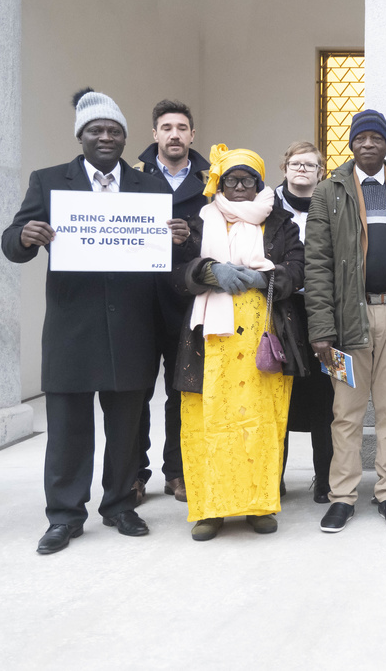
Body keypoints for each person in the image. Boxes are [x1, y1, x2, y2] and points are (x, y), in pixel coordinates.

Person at [2, 89, 192, 555]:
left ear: (126, 138)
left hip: (132, 325)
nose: (105, 137)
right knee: (68, 427)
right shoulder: (49, 182)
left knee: (128, 423)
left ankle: (120, 504)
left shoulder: (149, 187)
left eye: (114, 131)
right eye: (96, 130)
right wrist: (26, 237)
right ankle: (65, 516)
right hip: (73, 326)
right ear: (81, 137)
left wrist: (183, 240)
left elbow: (167, 254)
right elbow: (11, 242)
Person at [306, 109, 386, 533]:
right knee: (346, 412)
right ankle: (341, 496)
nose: (368, 144)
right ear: (351, 143)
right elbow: (317, 264)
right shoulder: (329, 192)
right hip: (346, 321)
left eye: (376, 138)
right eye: (360, 138)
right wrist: (320, 328)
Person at [171, 146, 306, 540]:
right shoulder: (200, 220)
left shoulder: (280, 222)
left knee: (261, 422)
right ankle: (209, 511)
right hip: (208, 344)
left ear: (260, 183)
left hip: (262, 336)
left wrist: (264, 278)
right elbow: (175, 274)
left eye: (249, 179)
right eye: (233, 180)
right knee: (206, 423)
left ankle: (259, 506)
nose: (241, 187)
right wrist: (207, 271)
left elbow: (297, 269)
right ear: (222, 183)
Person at [135, 99, 210, 504]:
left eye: (182, 127)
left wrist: (191, 239)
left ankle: (178, 471)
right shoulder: (132, 179)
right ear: (155, 134)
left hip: (188, 302)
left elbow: (219, 240)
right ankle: (134, 474)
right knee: (136, 392)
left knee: (183, 393)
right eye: (167, 127)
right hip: (141, 303)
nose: (175, 134)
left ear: (192, 134)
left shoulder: (212, 182)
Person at [275, 141, 335, 503]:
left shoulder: (332, 206)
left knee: (326, 401)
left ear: (320, 172)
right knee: (277, 398)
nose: (301, 169)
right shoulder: (264, 206)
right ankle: (271, 478)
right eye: (295, 163)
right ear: (284, 168)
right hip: (280, 314)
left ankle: (326, 480)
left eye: (309, 165)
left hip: (323, 313)